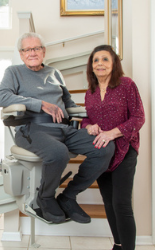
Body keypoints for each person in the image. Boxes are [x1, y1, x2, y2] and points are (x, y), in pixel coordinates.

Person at [0, 32, 115, 224]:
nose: (32, 53)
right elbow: (1, 98)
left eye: (36, 48)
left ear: (43, 51)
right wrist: (40, 103)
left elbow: (68, 102)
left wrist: (89, 121)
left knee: (104, 148)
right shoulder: (14, 72)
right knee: (58, 152)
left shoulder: (55, 73)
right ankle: (45, 197)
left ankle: (68, 196)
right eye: (27, 49)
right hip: (32, 128)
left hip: (64, 129)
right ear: (21, 54)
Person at [81, 45, 145, 250]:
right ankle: (117, 245)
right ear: (91, 66)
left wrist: (112, 132)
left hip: (125, 149)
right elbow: (86, 120)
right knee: (108, 202)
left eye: (105, 59)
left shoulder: (127, 85)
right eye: (96, 60)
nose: (100, 63)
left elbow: (138, 117)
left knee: (121, 204)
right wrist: (89, 126)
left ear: (114, 63)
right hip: (101, 153)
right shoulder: (89, 92)